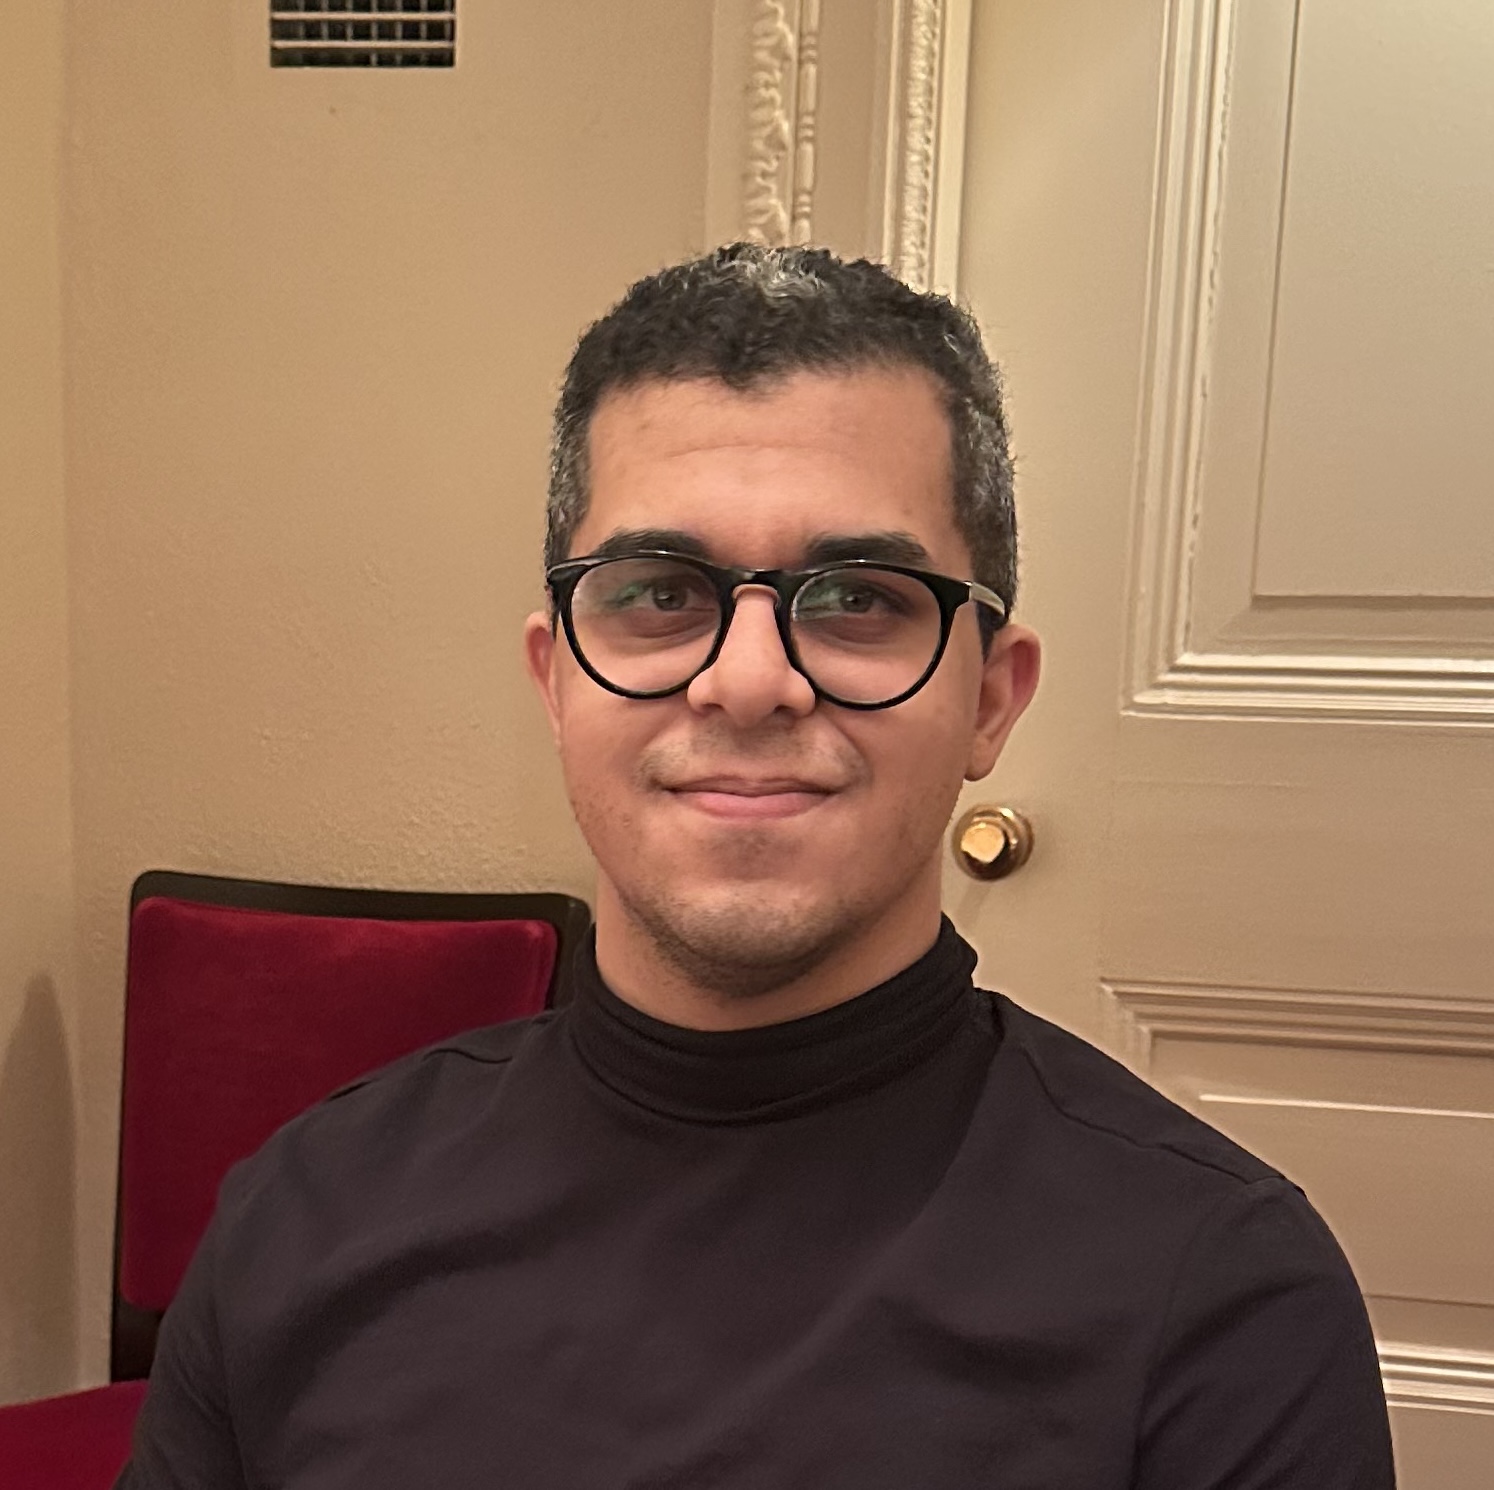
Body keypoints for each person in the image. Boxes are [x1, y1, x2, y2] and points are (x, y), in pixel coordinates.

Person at [119, 244, 1395, 1487]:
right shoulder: (307, 1213)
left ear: (990, 700)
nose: (746, 681)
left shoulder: (1220, 1297)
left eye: (857, 598)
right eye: (659, 593)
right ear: (557, 681)